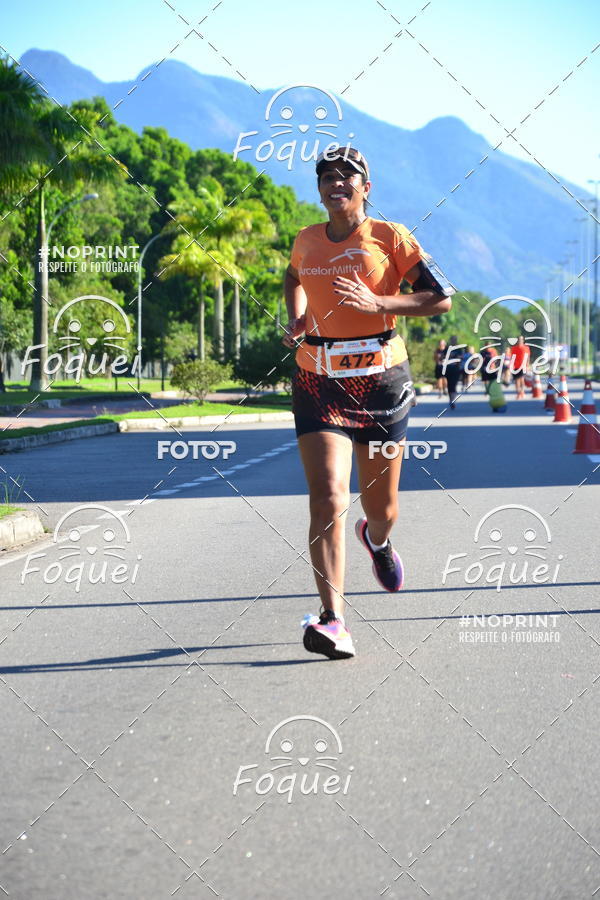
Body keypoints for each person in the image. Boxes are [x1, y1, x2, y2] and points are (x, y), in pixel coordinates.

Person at [283, 146, 454, 660]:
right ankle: (334, 620)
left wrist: (381, 302)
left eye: (346, 176)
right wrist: (297, 315)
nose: (336, 183)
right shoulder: (307, 240)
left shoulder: (391, 238)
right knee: (328, 497)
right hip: (318, 379)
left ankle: (376, 540)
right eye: (326, 177)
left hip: (381, 383)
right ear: (319, 188)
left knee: (381, 508)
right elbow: (294, 276)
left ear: (366, 186)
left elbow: (441, 297)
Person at [443, 335, 463, 410]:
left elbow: (461, 357)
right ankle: (451, 399)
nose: (453, 341)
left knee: (453, 385)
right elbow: (443, 356)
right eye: (452, 339)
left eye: (455, 339)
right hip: (448, 369)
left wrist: (458, 357)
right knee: (449, 385)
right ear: (450, 340)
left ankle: (453, 400)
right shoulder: (447, 348)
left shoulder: (459, 348)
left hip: (455, 369)